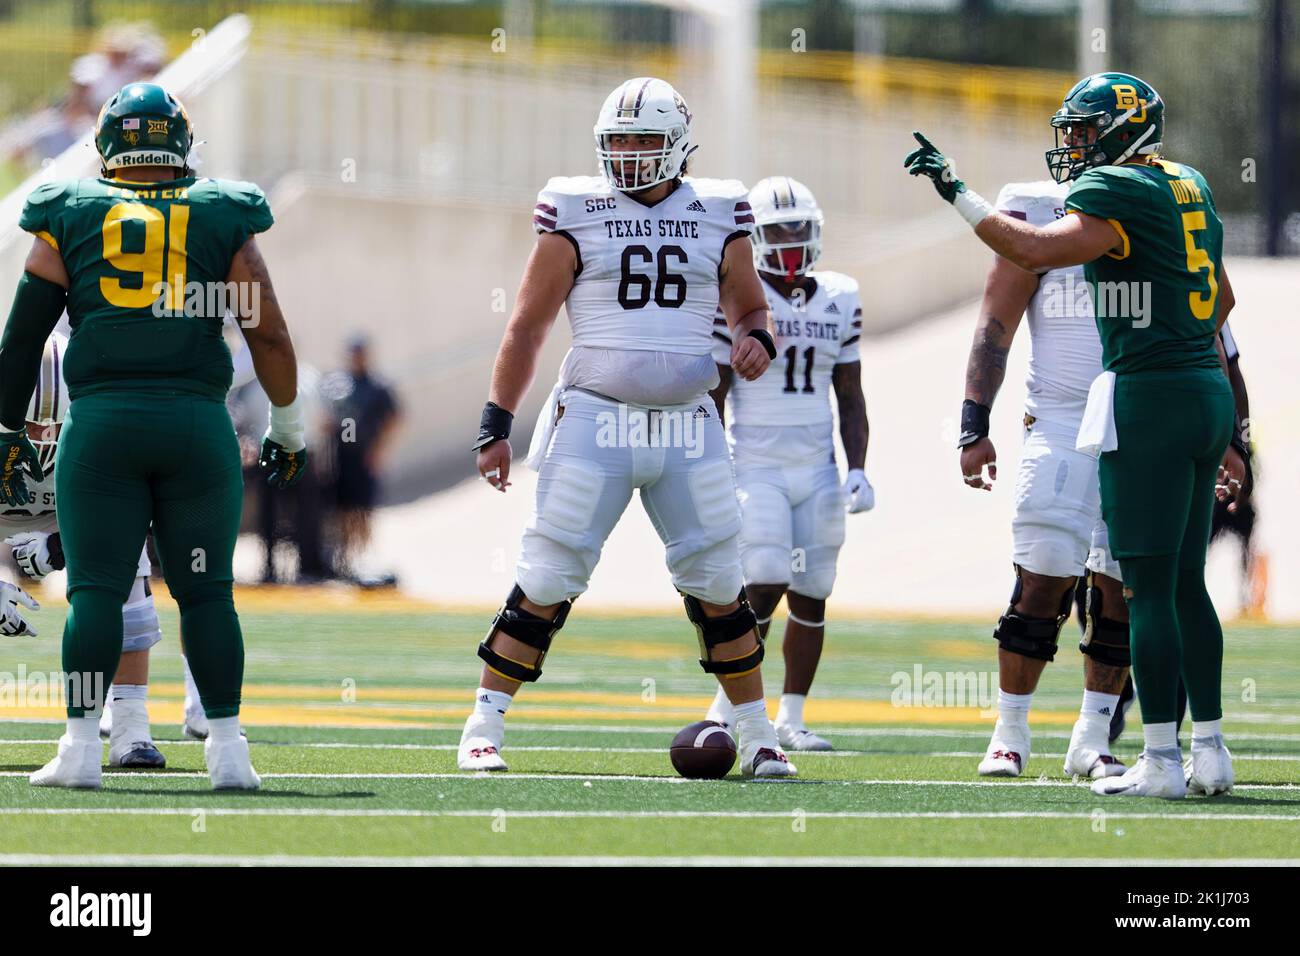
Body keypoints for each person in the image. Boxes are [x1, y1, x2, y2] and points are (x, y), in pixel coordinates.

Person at [906, 72, 1246, 799]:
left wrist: (957, 192)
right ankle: (1209, 749)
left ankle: (1154, 758)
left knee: (1143, 589)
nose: (1075, 144)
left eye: (1087, 130)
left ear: (1126, 129)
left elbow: (1029, 249)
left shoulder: (1113, 191)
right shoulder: (1190, 183)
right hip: (1201, 394)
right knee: (1182, 585)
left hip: (1145, 397)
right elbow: (1222, 300)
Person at [462, 76, 795, 778]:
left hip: (686, 424)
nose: (631, 154)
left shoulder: (719, 208)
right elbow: (528, 324)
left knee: (718, 582)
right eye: (619, 142)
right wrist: (496, 422)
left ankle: (761, 737)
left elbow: (751, 309)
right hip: (595, 417)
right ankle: (483, 727)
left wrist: (758, 342)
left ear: (677, 143)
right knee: (549, 573)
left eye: (645, 140)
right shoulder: (575, 206)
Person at [0, 82, 307, 790]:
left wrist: (7, 430)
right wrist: (287, 428)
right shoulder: (221, 212)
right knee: (207, 594)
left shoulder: (70, 211)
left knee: (96, 591)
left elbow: (21, 344)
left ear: (107, 146)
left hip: (104, 425)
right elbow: (268, 331)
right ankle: (229, 753)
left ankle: (81, 751)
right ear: (178, 143)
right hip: (195, 426)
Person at [955, 176, 1130, 781]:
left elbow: (1213, 324)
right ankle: (1010, 732)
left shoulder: (1164, 200)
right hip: (1059, 417)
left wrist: (1231, 433)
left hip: (1140, 419)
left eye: (1087, 133)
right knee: (1043, 572)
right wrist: (973, 422)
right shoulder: (1036, 205)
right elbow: (995, 323)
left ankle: (1092, 736)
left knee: (1122, 585)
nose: (1074, 146)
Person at [702, 176, 873, 752]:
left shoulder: (840, 295)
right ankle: (728, 707)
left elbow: (850, 392)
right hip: (757, 463)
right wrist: (711, 463)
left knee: (814, 588)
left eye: (800, 227)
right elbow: (716, 391)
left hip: (817, 465)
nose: (792, 239)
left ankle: (792, 717)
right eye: (779, 230)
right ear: (757, 237)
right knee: (767, 575)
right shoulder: (742, 299)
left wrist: (858, 467)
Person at [325, 336, 401, 578]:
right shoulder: (339, 386)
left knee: (364, 509)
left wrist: (379, 450)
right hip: (341, 457)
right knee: (344, 508)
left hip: (364, 456)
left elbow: (394, 418)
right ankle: (346, 557)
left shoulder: (377, 386)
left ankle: (364, 556)